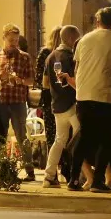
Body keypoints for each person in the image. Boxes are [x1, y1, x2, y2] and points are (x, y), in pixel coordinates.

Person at [69, 7, 111, 193]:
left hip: (82, 95)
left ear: (97, 21)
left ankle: (73, 179)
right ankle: (98, 181)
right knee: (109, 138)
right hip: (103, 95)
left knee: (85, 137)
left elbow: (77, 69)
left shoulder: (83, 40)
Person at [0, 23, 37, 181]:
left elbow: (31, 80)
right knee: (0, 135)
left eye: (16, 40)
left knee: (22, 135)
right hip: (2, 101)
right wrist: (1, 78)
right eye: (11, 40)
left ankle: (30, 170)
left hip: (18, 101)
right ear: (4, 38)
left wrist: (20, 80)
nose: (14, 43)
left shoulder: (25, 57)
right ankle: (0, 169)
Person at [42, 25, 80, 188]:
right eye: (77, 39)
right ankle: (82, 176)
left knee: (60, 140)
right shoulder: (71, 57)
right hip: (72, 104)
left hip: (57, 104)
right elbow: (77, 80)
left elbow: (44, 83)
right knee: (80, 138)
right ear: (71, 39)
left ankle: (49, 175)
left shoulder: (50, 57)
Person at [36, 27, 60, 158]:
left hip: (52, 98)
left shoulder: (46, 53)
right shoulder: (47, 53)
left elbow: (37, 78)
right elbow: (39, 78)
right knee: (52, 134)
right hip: (51, 98)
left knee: (58, 135)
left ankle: (58, 168)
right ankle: (54, 169)